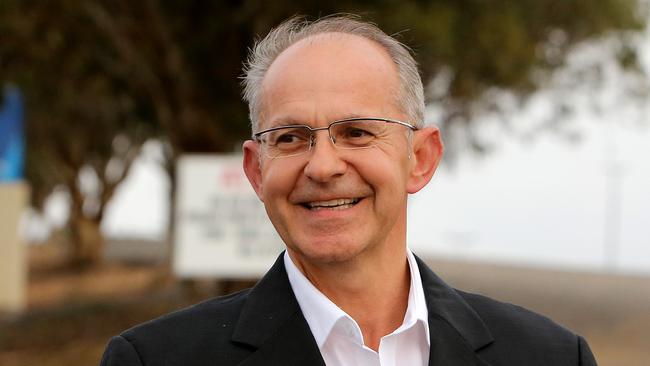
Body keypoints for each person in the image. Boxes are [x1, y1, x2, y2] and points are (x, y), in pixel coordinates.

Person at [100, 15, 597, 366]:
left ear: (419, 159)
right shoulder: (155, 359)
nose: (322, 166)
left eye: (357, 132)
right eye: (290, 138)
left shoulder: (550, 356)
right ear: (255, 170)